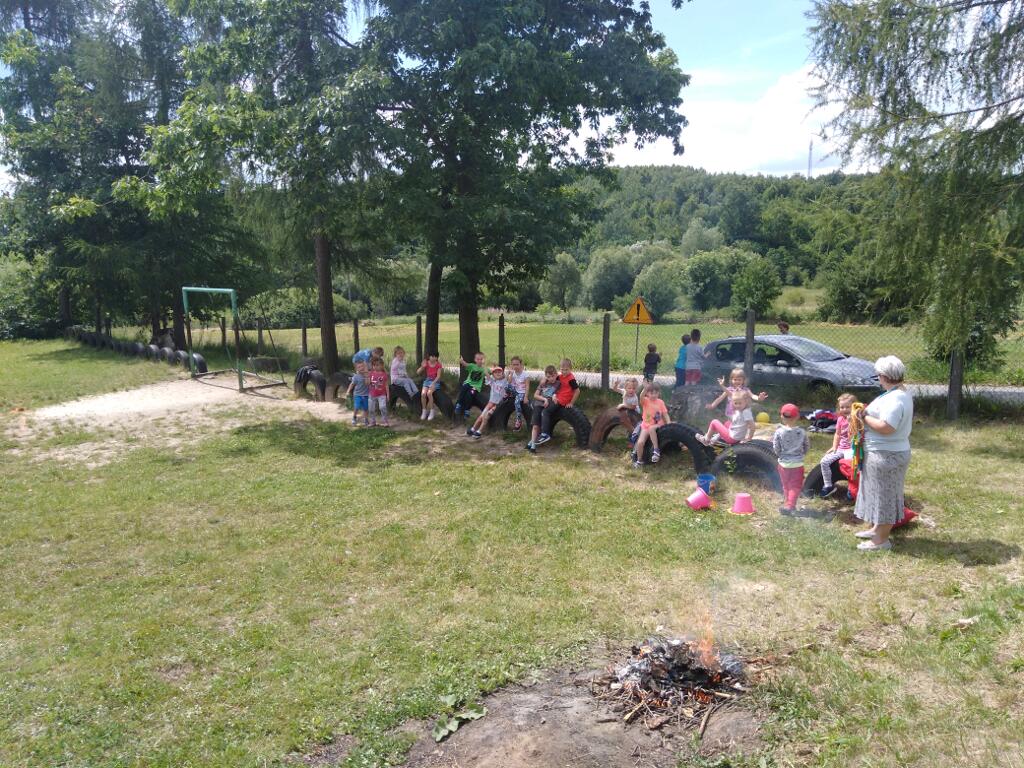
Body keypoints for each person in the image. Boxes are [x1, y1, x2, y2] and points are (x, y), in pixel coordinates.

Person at [854, 356, 914, 552]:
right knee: (878, 493)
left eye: (878, 375)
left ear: (884, 376)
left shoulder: (895, 399)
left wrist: (864, 416)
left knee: (885, 496)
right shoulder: (897, 392)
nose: (877, 378)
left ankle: (881, 541)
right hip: (882, 452)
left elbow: (887, 427)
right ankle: (877, 529)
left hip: (887, 455)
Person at [527, 358, 580, 452]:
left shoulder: (571, 379)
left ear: (570, 369)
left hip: (562, 400)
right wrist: (544, 379)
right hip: (556, 398)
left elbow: (577, 391)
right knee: (543, 411)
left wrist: (571, 403)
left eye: (566, 370)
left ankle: (545, 434)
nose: (564, 372)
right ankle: (537, 437)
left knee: (545, 412)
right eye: (562, 369)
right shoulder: (560, 376)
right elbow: (551, 377)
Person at [818, 393, 857, 498]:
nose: (844, 409)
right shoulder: (840, 419)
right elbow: (837, 434)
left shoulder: (857, 418)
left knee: (850, 468)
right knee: (824, 462)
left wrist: (852, 421)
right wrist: (834, 446)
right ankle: (828, 485)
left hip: (852, 449)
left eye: (848, 407)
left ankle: (852, 490)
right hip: (841, 448)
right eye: (842, 407)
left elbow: (858, 433)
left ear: (854, 407)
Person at [773, 403, 810, 515]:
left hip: (783, 464)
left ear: (782, 416)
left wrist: (780, 455)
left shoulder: (779, 431)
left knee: (786, 485)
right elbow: (807, 446)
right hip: (797, 464)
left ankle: (787, 504)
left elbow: (776, 447)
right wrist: (802, 454)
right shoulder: (802, 432)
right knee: (795, 486)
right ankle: (790, 506)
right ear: (797, 416)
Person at [632, 383, 670, 468]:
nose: (654, 395)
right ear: (647, 393)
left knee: (652, 429)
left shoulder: (660, 402)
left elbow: (665, 414)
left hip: (658, 424)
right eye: (651, 393)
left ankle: (656, 450)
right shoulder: (645, 401)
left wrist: (668, 422)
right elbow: (641, 397)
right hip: (646, 425)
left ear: (659, 393)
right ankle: (639, 460)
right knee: (640, 442)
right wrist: (645, 389)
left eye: (656, 393)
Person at [468, 366, 509, 437]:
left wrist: (508, 373)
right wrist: (484, 367)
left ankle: (479, 431)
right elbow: (487, 375)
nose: (498, 373)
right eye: (495, 372)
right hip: (490, 403)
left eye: (499, 372)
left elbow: (508, 375)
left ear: (503, 373)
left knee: (486, 416)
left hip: (498, 404)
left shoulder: (504, 381)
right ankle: (473, 429)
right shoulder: (492, 381)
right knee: (481, 416)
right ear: (493, 374)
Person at [455, 352, 487, 420]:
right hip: (468, 383)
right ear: (475, 360)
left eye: (481, 359)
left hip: (475, 387)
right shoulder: (472, 366)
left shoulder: (484, 369)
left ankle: (467, 410)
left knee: (470, 394)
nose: (479, 361)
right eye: (478, 359)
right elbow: (465, 364)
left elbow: (492, 372)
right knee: (463, 389)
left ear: (483, 360)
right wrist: (462, 361)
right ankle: (459, 404)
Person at [417, 352, 443, 420]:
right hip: (427, 381)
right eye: (432, 356)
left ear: (437, 357)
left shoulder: (438, 365)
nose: (433, 358)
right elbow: (418, 372)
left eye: (435, 356)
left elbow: (438, 376)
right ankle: (424, 411)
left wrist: (433, 383)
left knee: (429, 393)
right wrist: (422, 367)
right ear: (429, 357)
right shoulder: (426, 363)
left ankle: (432, 411)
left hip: (435, 382)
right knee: (423, 394)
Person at [508, 356, 531, 430]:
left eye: (517, 364)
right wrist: (511, 374)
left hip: (522, 392)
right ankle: (508, 395)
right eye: (513, 365)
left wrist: (526, 397)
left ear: (521, 365)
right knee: (506, 386)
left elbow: (527, 386)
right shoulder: (513, 373)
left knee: (517, 402)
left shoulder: (525, 374)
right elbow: (509, 383)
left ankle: (518, 420)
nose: (515, 366)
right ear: (511, 365)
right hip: (516, 391)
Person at [345, 361, 370, 427]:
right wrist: (348, 391)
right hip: (357, 394)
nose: (361, 368)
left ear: (365, 367)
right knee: (357, 407)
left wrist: (366, 376)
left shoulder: (367, 375)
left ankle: (366, 419)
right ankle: (354, 417)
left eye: (362, 366)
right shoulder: (356, 376)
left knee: (366, 408)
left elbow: (368, 384)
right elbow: (352, 384)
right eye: (359, 367)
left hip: (366, 395)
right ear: (356, 369)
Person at [367, 358, 390, 427]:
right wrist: (367, 378)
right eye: (374, 365)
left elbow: (386, 385)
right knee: (371, 409)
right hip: (372, 394)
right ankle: (373, 422)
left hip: (382, 395)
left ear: (382, 365)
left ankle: (385, 421)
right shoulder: (371, 373)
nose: (375, 367)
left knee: (382, 407)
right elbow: (367, 383)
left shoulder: (384, 374)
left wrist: (388, 395)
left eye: (377, 365)